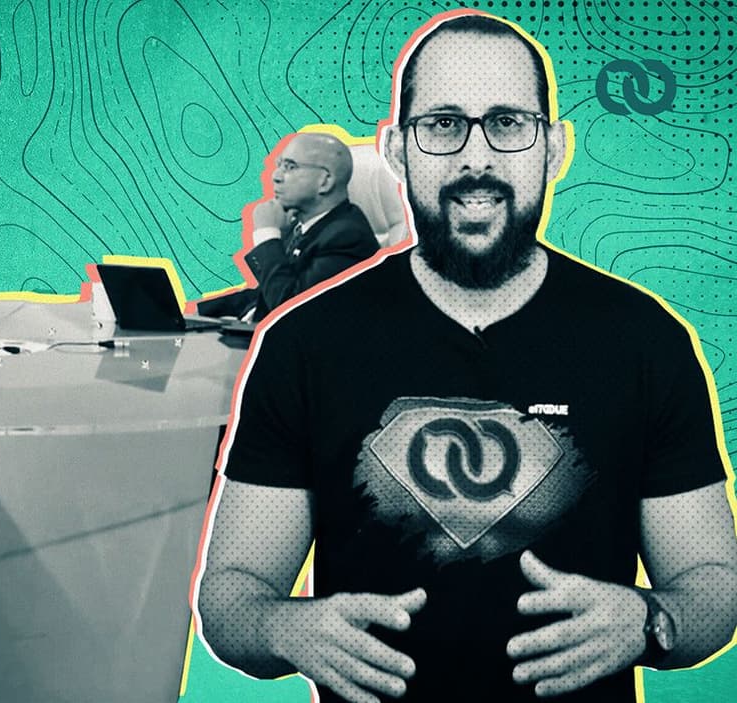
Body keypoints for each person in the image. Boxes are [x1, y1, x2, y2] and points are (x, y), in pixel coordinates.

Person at [196, 12, 737, 703]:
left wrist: (650, 620)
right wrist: (280, 627)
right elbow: (231, 592)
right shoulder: (305, 344)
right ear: (397, 151)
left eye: (507, 123)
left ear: (553, 149)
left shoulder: (645, 341)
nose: (476, 158)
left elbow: (712, 584)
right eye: (444, 124)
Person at [197, 132, 379, 321]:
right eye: (279, 165)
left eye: (290, 167)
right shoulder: (303, 227)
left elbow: (290, 312)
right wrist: (197, 314)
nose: (275, 176)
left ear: (325, 181)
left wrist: (267, 235)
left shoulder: (347, 236)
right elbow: (267, 292)